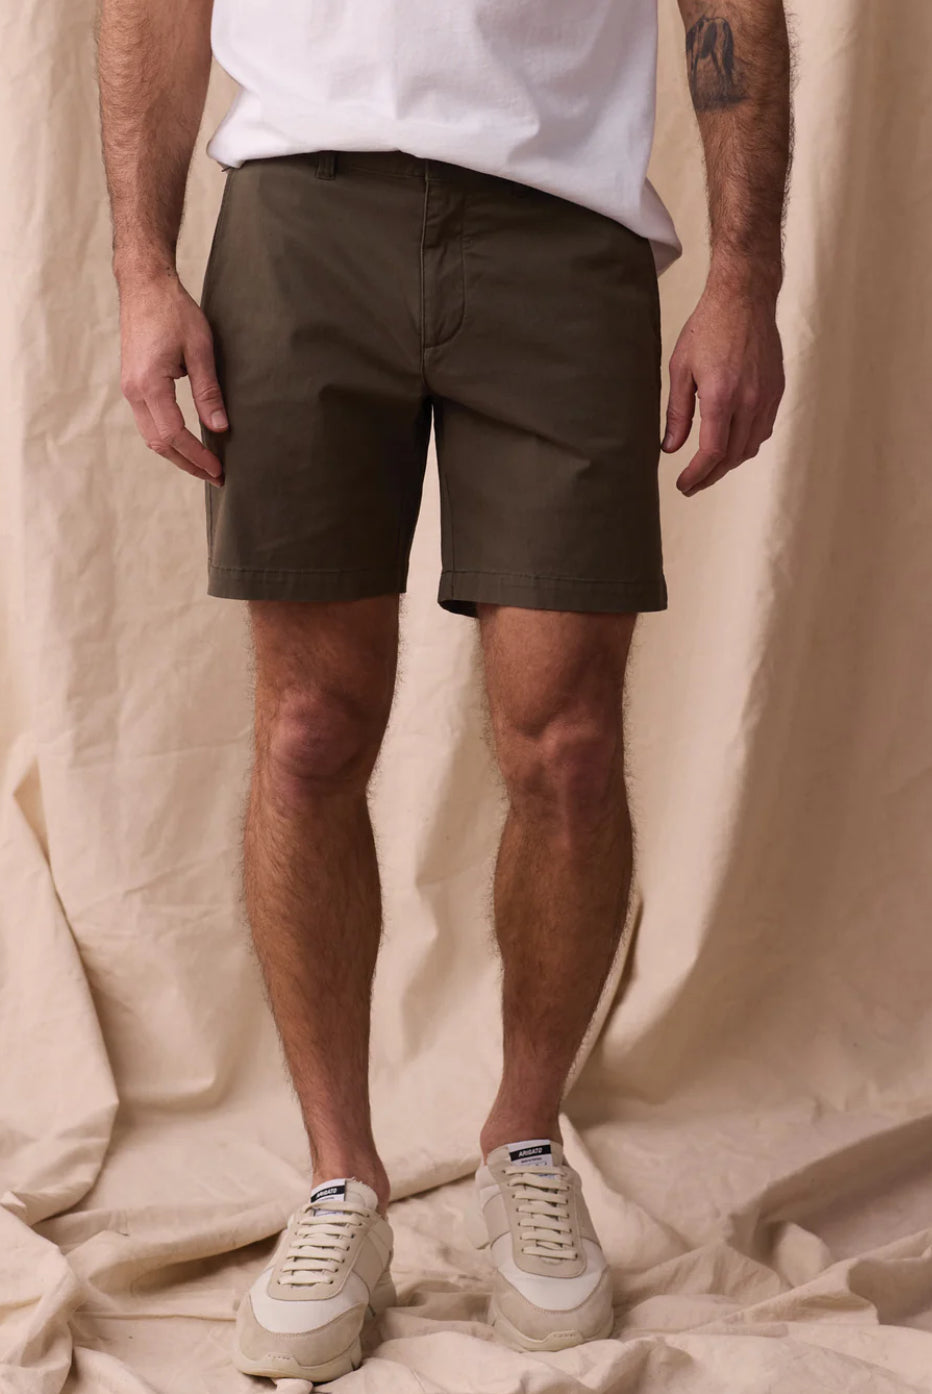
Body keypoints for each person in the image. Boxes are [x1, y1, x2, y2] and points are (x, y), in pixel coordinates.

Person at [97, 0, 791, 1379]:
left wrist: (744, 277)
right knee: (307, 730)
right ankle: (339, 1181)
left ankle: (524, 1145)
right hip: (302, 211)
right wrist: (140, 269)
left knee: (570, 743)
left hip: (564, 227)